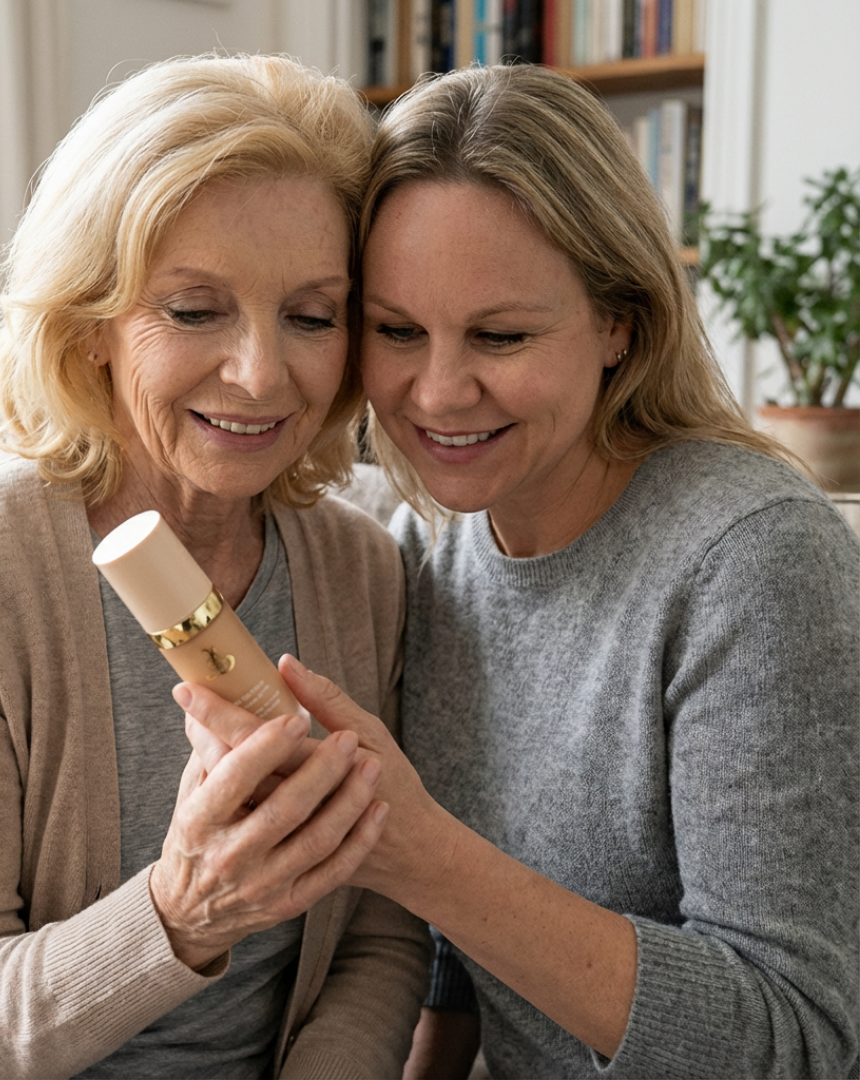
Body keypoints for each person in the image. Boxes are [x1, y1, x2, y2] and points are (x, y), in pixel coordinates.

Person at [177, 64, 860, 1078]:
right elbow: (461, 958)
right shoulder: (433, 558)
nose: (440, 391)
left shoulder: (751, 560)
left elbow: (795, 1039)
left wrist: (421, 855)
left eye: (502, 335)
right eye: (397, 331)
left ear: (618, 322)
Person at [0, 54, 431, 1080]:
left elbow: (383, 929)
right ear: (90, 326)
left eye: (310, 314)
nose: (262, 373)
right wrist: (182, 912)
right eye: (193, 309)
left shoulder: (364, 568)